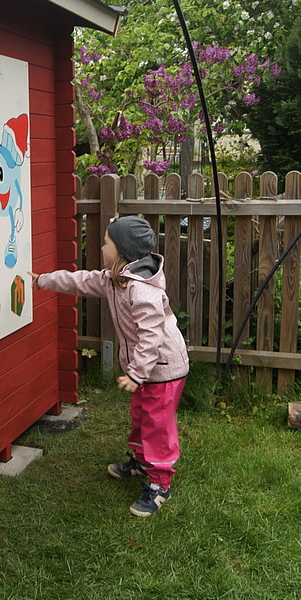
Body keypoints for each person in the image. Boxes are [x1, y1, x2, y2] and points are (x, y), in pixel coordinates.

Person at [31, 215, 189, 517]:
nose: (102, 247)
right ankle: (142, 463)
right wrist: (42, 280)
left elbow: (152, 336)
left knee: (157, 425)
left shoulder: (143, 290)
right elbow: (80, 281)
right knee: (141, 416)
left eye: (106, 243)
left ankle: (160, 483)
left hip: (163, 368)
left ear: (122, 251)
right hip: (144, 370)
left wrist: (136, 374)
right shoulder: (114, 279)